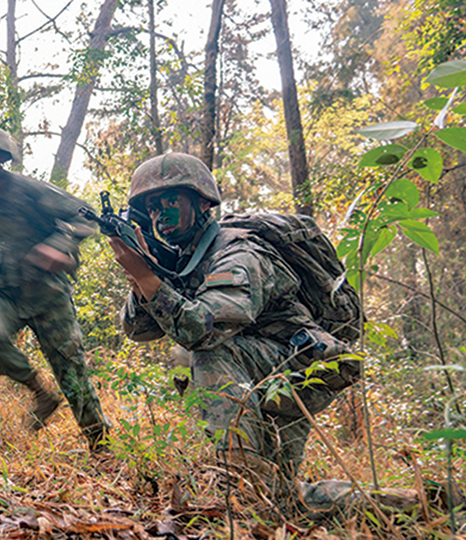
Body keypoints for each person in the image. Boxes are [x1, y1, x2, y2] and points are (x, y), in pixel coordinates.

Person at [109, 153, 423, 519]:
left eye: (170, 201)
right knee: (284, 503)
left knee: (204, 355)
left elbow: (200, 330)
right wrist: (144, 274)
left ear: (202, 202)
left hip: (302, 368)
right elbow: (138, 330)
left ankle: (240, 483)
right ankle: (422, 502)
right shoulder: (183, 258)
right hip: (266, 371)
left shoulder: (239, 252)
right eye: (151, 207)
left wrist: (147, 277)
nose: (159, 214)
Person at [0, 125, 109, 451]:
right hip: (5, 295)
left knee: (70, 368)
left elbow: (86, 216)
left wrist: (57, 246)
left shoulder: (28, 190)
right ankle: (40, 392)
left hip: (47, 294)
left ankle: (100, 443)